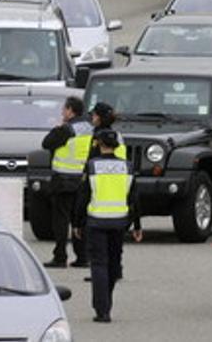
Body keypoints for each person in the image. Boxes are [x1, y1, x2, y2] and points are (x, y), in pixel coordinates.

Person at [73, 129, 142, 323]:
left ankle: (102, 310)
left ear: (99, 144)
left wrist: (77, 223)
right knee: (112, 264)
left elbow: (83, 197)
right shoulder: (127, 167)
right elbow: (134, 199)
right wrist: (137, 225)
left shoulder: (92, 166)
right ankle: (107, 300)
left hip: (96, 221)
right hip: (120, 222)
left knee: (98, 265)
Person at [41, 96, 91, 268]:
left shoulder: (67, 128)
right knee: (79, 219)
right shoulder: (90, 127)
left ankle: (60, 256)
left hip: (64, 179)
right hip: (83, 180)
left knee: (61, 221)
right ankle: (82, 257)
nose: (62, 112)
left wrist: (57, 129)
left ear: (70, 110)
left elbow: (46, 143)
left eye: (64, 109)